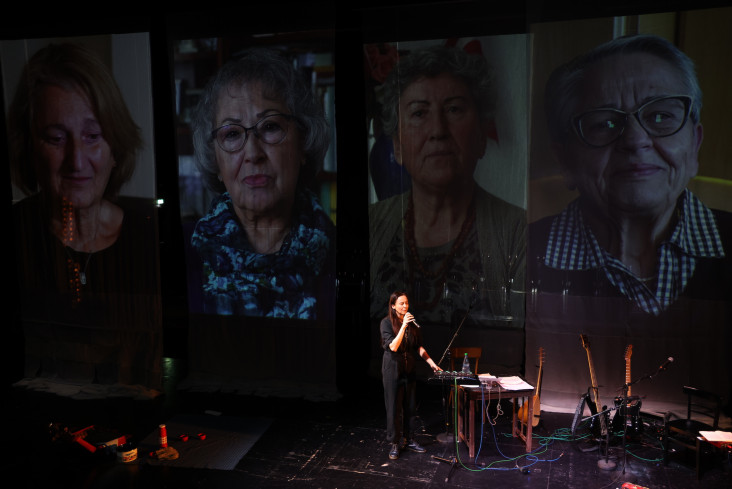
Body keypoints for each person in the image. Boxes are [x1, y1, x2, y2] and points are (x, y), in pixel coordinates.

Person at [527, 34, 731, 412]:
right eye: (605, 123)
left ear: (695, 144)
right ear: (565, 160)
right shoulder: (521, 253)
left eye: (660, 116)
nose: (636, 140)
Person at [8, 42, 161, 387]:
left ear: (115, 147)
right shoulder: (15, 235)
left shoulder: (154, 234)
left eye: (93, 136)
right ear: (29, 148)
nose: (76, 162)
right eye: (56, 138)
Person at [369, 44, 526, 326]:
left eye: (454, 109)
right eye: (419, 113)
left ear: (481, 136)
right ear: (397, 146)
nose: (438, 131)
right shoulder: (368, 228)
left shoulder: (520, 234)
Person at [190, 48, 335, 319]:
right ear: (215, 160)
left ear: (303, 142)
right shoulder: (183, 259)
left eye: (270, 127)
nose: (253, 153)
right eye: (232, 133)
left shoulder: (342, 257)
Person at [380, 291, 442, 460]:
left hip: (409, 370)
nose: (405, 306)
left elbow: (418, 347)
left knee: (410, 407)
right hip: (392, 371)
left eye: (407, 303)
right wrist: (403, 326)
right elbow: (393, 346)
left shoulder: (412, 325)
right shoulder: (386, 323)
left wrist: (431, 363)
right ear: (393, 306)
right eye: (401, 304)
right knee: (393, 408)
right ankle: (394, 442)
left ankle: (410, 439)